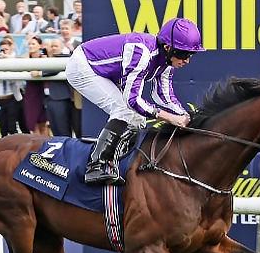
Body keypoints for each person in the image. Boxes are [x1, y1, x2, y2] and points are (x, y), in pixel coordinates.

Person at [65, 17, 203, 184]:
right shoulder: (142, 53)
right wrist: (169, 117)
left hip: (101, 70)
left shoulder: (167, 62)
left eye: (191, 55)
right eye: (183, 54)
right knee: (124, 110)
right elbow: (132, 100)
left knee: (137, 119)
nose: (187, 60)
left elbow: (163, 96)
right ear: (168, 47)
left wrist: (185, 116)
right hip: (83, 66)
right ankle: (95, 166)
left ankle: (119, 162)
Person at [0, 37, 25, 137]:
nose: (3, 51)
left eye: (6, 49)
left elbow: (19, 75)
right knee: (3, 127)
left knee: (12, 127)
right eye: (2, 49)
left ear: (11, 49)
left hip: (12, 97)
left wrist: (8, 61)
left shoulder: (16, 60)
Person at [44, 38, 78, 137]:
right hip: (49, 99)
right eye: (51, 46)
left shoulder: (66, 57)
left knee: (63, 130)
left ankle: (67, 152)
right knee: (55, 130)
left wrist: (40, 73)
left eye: (56, 46)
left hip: (61, 99)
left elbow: (55, 69)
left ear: (62, 47)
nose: (53, 48)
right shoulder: (47, 59)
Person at [23, 36, 49, 136]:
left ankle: (46, 146)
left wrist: (39, 72)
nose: (30, 46)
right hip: (30, 93)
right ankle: (38, 148)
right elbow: (22, 66)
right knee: (32, 123)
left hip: (42, 91)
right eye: (29, 44)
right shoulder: (26, 57)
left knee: (43, 122)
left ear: (40, 46)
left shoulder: (44, 58)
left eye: (33, 44)